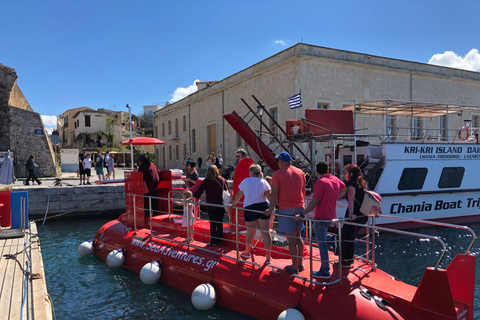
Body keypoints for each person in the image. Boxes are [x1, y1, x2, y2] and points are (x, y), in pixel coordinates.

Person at [297, 161, 346, 279]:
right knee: (313, 233)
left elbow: (314, 201)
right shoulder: (334, 179)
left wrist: (303, 214)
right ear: (328, 170)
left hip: (321, 217)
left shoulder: (320, 183)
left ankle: (325, 271)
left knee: (321, 244)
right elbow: (344, 189)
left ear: (317, 171)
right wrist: (334, 199)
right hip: (330, 216)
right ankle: (332, 239)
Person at [264, 151, 306, 274]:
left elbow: (274, 193)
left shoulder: (277, 174)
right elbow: (303, 191)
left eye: (278, 160)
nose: (277, 163)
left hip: (286, 209)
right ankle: (300, 264)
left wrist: (271, 209)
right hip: (300, 207)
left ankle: (294, 267)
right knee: (298, 237)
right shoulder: (300, 172)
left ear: (281, 161)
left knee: (291, 240)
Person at [230, 164, 272, 263]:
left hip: (250, 208)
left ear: (251, 172)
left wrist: (233, 204)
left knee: (250, 232)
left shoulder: (246, 181)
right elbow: (268, 196)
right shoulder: (264, 182)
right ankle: (268, 257)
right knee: (266, 233)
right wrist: (273, 208)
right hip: (263, 207)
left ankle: (247, 252)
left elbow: (239, 194)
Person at [339, 164, 369, 268]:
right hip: (362, 215)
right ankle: (348, 259)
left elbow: (351, 200)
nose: (344, 175)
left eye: (346, 172)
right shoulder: (362, 184)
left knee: (347, 237)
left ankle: (346, 260)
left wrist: (351, 215)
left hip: (354, 215)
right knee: (350, 237)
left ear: (351, 174)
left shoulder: (351, 185)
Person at [193, 165, 230, 246]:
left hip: (211, 205)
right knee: (220, 222)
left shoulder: (206, 181)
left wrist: (192, 197)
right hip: (221, 205)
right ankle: (219, 240)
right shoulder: (223, 180)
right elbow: (228, 193)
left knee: (213, 223)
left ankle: (213, 242)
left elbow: (199, 192)